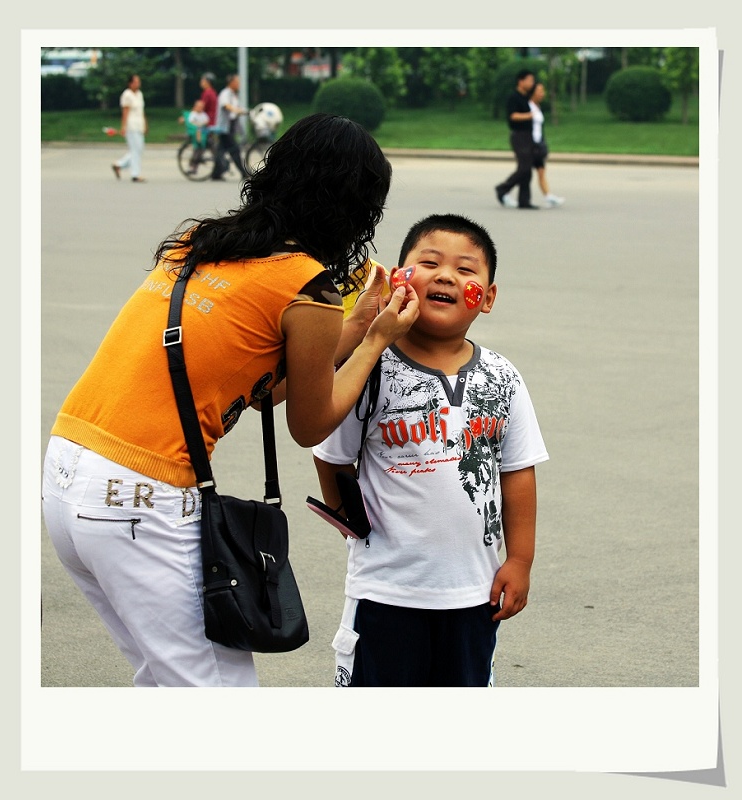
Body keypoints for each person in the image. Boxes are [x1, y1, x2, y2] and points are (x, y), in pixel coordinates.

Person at [41, 113, 420, 688]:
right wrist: (375, 340)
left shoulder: (202, 241)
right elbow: (309, 422)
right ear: (356, 206)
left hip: (68, 475)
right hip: (138, 495)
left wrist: (361, 317)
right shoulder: (309, 285)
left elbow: (261, 378)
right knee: (217, 699)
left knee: (165, 679)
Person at [312, 213, 549, 687]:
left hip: (473, 596)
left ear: (488, 297)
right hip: (384, 592)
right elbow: (331, 456)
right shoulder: (369, 368)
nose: (446, 276)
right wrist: (353, 526)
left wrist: (520, 560)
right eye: (428, 263)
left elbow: (518, 472)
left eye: (466, 270)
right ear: (399, 278)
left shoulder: (502, 377)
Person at [494, 69, 538, 209]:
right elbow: (512, 116)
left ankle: (524, 201)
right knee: (524, 168)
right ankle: (503, 188)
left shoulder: (526, 97)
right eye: (530, 80)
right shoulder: (514, 97)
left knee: (527, 169)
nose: (532, 83)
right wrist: (530, 115)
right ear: (521, 81)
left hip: (528, 135)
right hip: (519, 135)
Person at [529, 82, 565, 208]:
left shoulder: (537, 106)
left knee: (541, 170)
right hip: (530, 145)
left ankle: (548, 196)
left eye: (543, 91)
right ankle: (504, 190)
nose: (542, 94)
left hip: (538, 144)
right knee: (523, 173)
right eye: (539, 91)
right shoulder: (527, 106)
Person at [211, 73, 248, 181]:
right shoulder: (225, 93)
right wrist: (235, 110)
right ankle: (243, 172)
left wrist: (245, 111)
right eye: (237, 82)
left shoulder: (233, 94)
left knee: (220, 150)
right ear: (231, 82)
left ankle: (216, 174)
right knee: (234, 150)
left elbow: (238, 107)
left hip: (230, 127)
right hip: (224, 127)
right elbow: (226, 105)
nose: (239, 84)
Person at [111, 74, 147, 183]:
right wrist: (123, 127)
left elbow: (141, 111)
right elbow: (125, 112)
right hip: (131, 125)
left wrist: (145, 124)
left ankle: (119, 164)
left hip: (139, 124)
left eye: (138, 82)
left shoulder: (139, 94)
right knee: (135, 150)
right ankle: (135, 174)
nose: (138, 84)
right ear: (130, 83)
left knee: (139, 149)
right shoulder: (127, 95)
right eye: (136, 82)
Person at [179, 98, 211, 175]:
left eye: (202, 107)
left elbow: (207, 122)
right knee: (197, 151)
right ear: (195, 107)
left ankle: (194, 166)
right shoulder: (193, 114)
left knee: (201, 151)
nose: (200, 108)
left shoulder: (203, 114)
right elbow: (190, 123)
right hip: (195, 133)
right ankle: (192, 167)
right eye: (199, 106)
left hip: (203, 132)